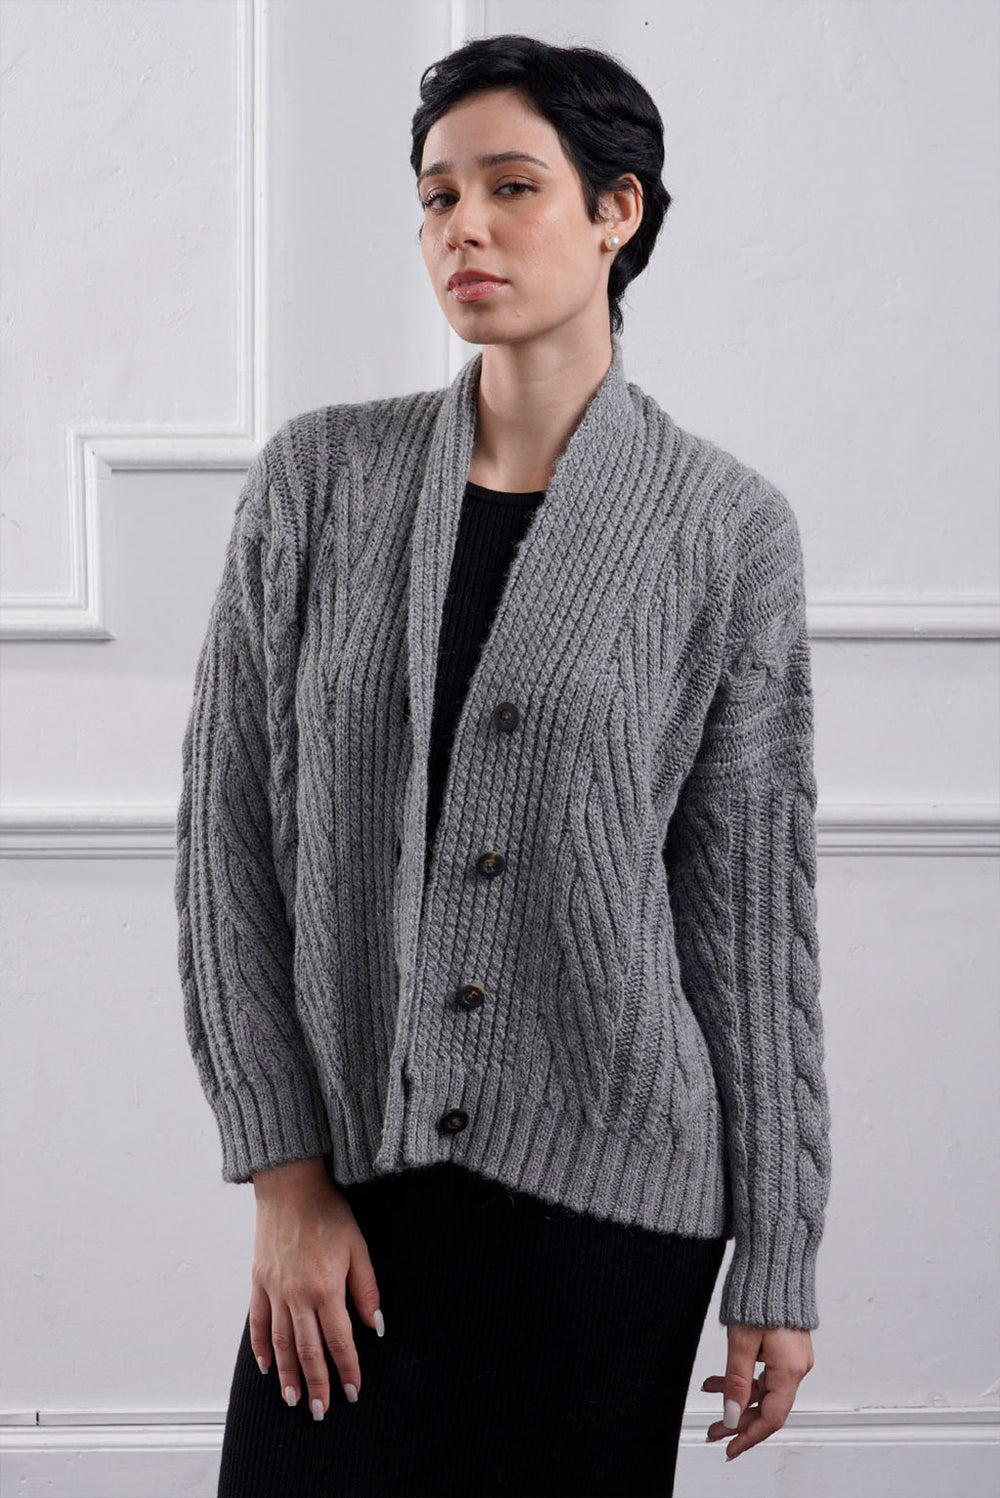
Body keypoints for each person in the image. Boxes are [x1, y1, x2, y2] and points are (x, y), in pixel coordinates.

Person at [174, 32, 833, 1498]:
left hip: (613, 1217)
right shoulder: (317, 483)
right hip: (351, 1189)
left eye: (511, 186)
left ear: (617, 212)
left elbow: (747, 922)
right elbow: (226, 851)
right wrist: (285, 1179)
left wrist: (778, 1258)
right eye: (437, 195)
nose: (462, 226)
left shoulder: (727, 531)